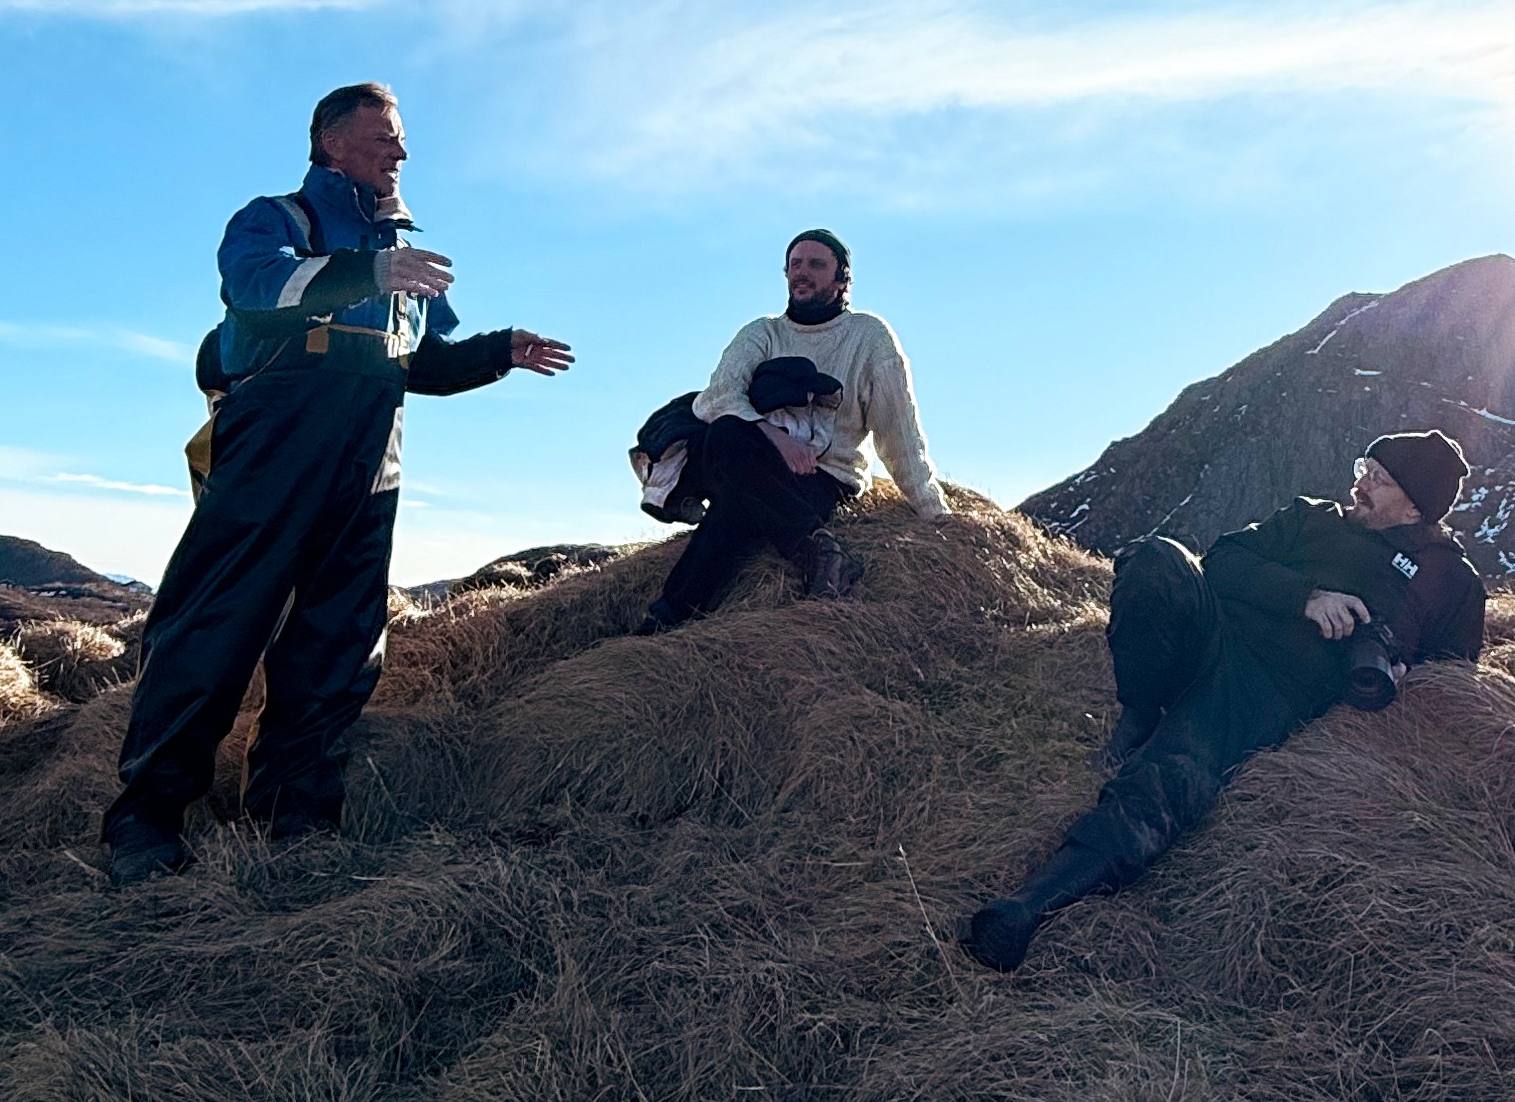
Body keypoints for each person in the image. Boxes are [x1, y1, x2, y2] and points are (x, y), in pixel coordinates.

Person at [103, 83, 573, 883]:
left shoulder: (403, 255)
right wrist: (372, 269)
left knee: (340, 639)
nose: (401, 151)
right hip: (275, 440)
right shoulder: (275, 221)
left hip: (372, 455)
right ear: (330, 139)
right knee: (216, 623)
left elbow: (422, 362)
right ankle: (146, 819)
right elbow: (259, 290)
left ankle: (294, 816)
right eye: (385, 134)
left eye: (402, 139)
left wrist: (498, 351)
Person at [962, 430, 1484, 971]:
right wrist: (1306, 598)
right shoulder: (1310, 516)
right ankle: (1141, 710)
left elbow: (1456, 677)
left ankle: (1025, 911)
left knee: (1168, 778)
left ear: (1414, 508)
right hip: (1213, 630)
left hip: (1267, 688)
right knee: (1157, 559)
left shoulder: (1452, 581)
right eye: (1365, 468)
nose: (1361, 485)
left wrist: (1401, 673)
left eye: (1380, 479)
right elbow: (1224, 559)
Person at [634, 229, 948, 632]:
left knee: (734, 509)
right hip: (755, 459)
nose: (803, 272)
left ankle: (666, 617)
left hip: (822, 477)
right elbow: (717, 397)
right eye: (795, 264)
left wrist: (935, 514)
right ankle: (818, 551)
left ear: (842, 280)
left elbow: (899, 433)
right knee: (724, 434)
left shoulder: (869, 337)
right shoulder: (762, 333)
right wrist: (776, 438)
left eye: (816, 265)